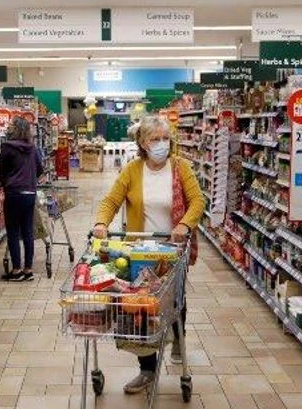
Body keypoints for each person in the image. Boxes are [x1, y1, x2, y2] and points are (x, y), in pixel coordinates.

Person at [93, 115, 205, 394]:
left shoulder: (181, 168)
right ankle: (147, 369)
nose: (161, 144)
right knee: (141, 308)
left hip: (172, 251)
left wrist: (183, 225)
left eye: (165, 138)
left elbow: (198, 201)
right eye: (155, 139)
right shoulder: (132, 170)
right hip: (140, 250)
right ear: (143, 143)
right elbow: (111, 200)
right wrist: (101, 223)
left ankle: (179, 336)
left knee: (175, 302)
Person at [0, 116, 44, 282]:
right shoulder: (33, 148)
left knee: (13, 232)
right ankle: (28, 269)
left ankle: (16, 270)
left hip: (14, 193)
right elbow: (40, 168)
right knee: (28, 232)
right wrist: (30, 180)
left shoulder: (7, 148)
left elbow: (0, 170)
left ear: (14, 129)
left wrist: (6, 183)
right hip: (29, 194)